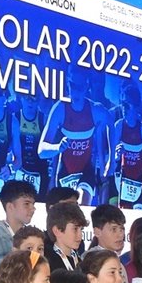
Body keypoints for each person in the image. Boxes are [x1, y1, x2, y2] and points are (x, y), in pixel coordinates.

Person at [39, 65, 109, 205]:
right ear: (67, 84)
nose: (75, 91)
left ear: (86, 87)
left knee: (82, 204)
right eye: (72, 85)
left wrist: (106, 165)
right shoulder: (59, 108)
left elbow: (105, 135)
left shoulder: (95, 109)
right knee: (66, 210)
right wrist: (57, 148)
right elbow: (41, 151)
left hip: (86, 169)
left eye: (80, 87)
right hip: (65, 170)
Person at [106, 84, 142, 209]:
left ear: (136, 107)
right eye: (122, 104)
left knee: (137, 215)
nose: (123, 108)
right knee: (116, 213)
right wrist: (116, 155)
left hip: (138, 180)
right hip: (120, 177)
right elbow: (112, 156)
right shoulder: (118, 126)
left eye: (126, 104)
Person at [0, 180, 38, 266]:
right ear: (10, 207)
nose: (33, 209)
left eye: (33, 204)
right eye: (26, 204)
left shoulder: (35, 238)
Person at [44, 201, 88, 272]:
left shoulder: (81, 263)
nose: (80, 235)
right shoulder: (47, 264)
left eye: (81, 229)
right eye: (75, 229)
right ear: (57, 231)